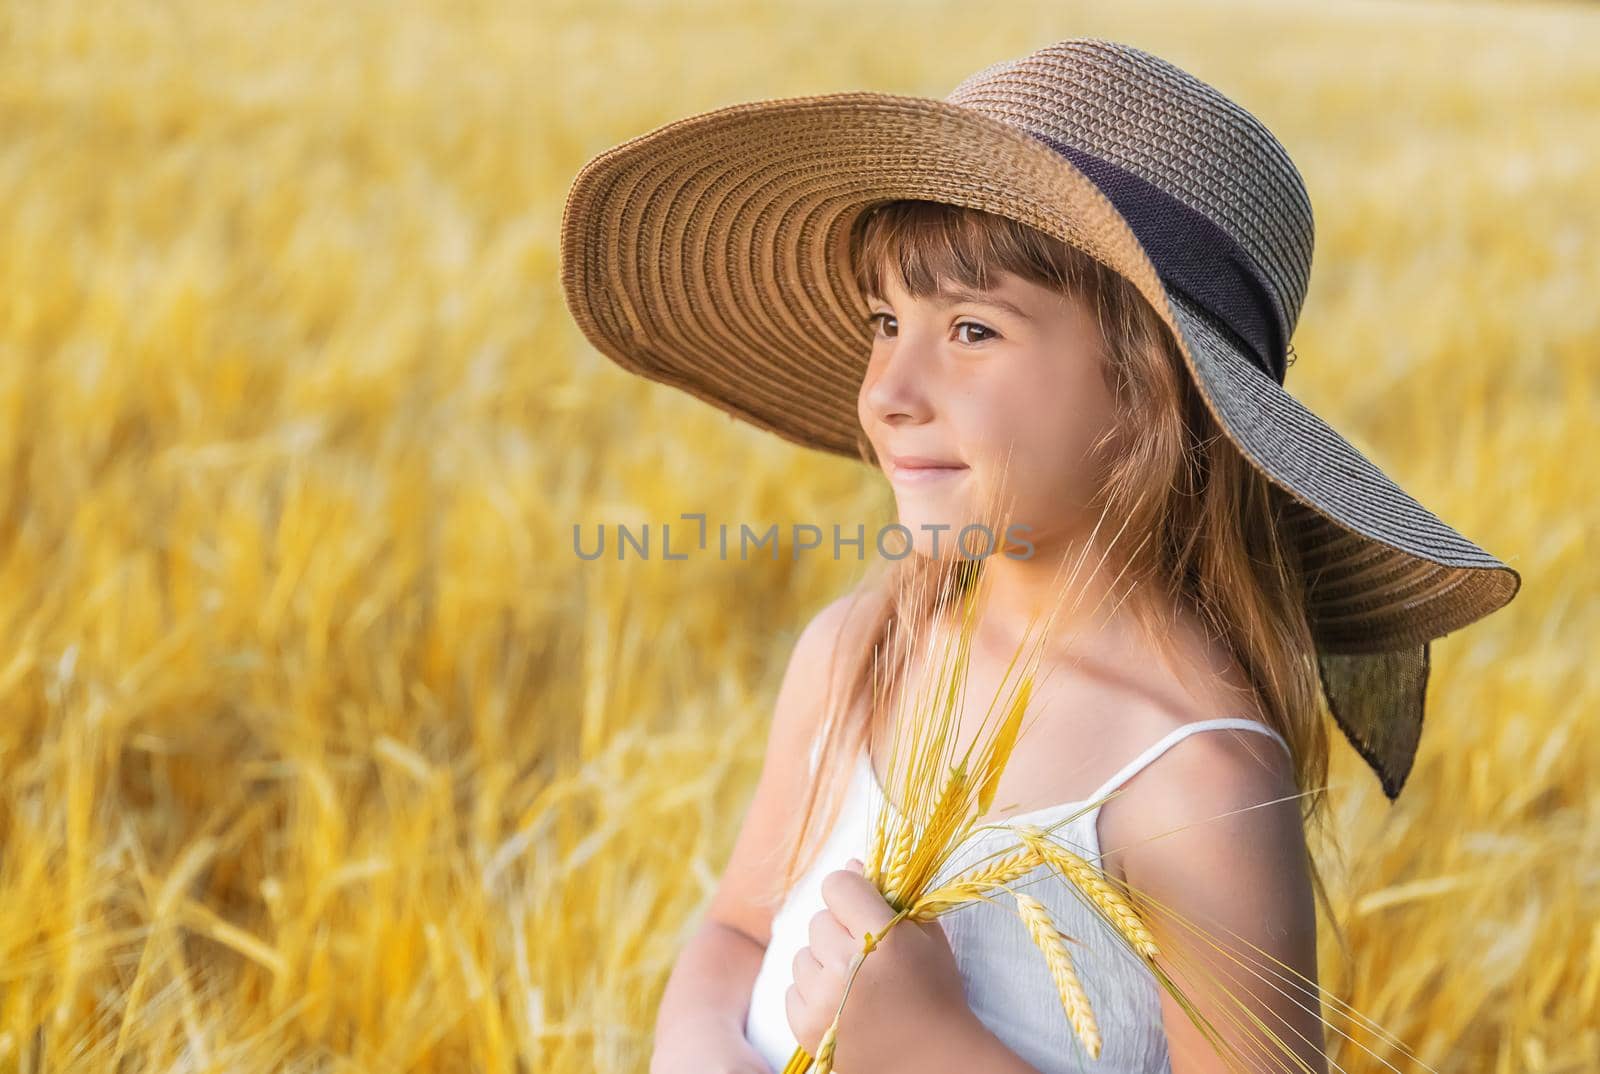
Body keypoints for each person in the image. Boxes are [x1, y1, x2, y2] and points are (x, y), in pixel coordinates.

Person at [559, 37, 1520, 1074]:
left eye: (971, 330)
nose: (887, 388)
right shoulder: (862, 652)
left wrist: (931, 1047)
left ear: (1151, 393)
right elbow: (739, 931)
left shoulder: (1192, 781)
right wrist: (702, 1052)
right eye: (886, 320)